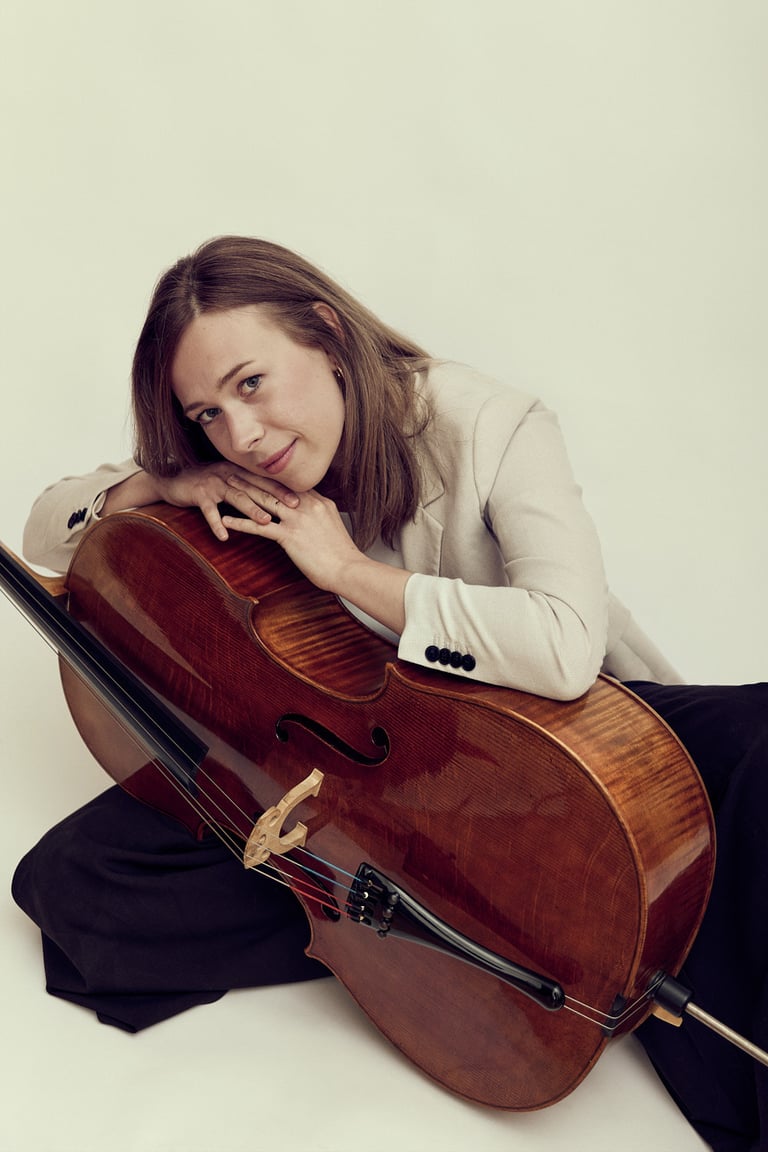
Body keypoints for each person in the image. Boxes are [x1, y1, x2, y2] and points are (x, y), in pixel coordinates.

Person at [12, 236, 767, 1150]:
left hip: (536, 733)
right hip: (367, 776)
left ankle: (515, 927)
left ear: (325, 333)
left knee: (755, 745)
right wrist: (162, 477)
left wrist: (344, 572)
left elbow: (565, 647)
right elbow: (47, 529)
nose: (241, 434)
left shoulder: (489, 423)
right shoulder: (234, 465)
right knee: (74, 885)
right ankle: (416, 926)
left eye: (252, 384)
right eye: (206, 414)